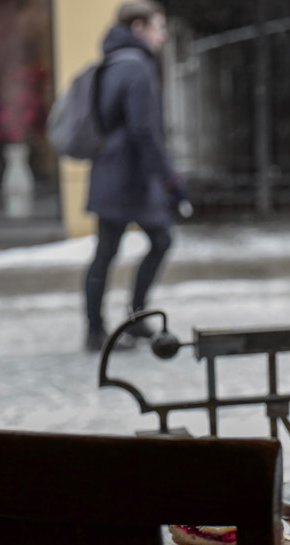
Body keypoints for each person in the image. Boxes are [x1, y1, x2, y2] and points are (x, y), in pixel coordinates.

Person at [83, 0, 185, 352]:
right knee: (160, 240)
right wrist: (170, 180)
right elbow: (144, 130)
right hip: (129, 176)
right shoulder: (138, 66)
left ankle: (99, 328)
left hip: (109, 170)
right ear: (138, 28)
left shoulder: (111, 61)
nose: (164, 34)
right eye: (159, 27)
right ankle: (129, 319)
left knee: (106, 252)